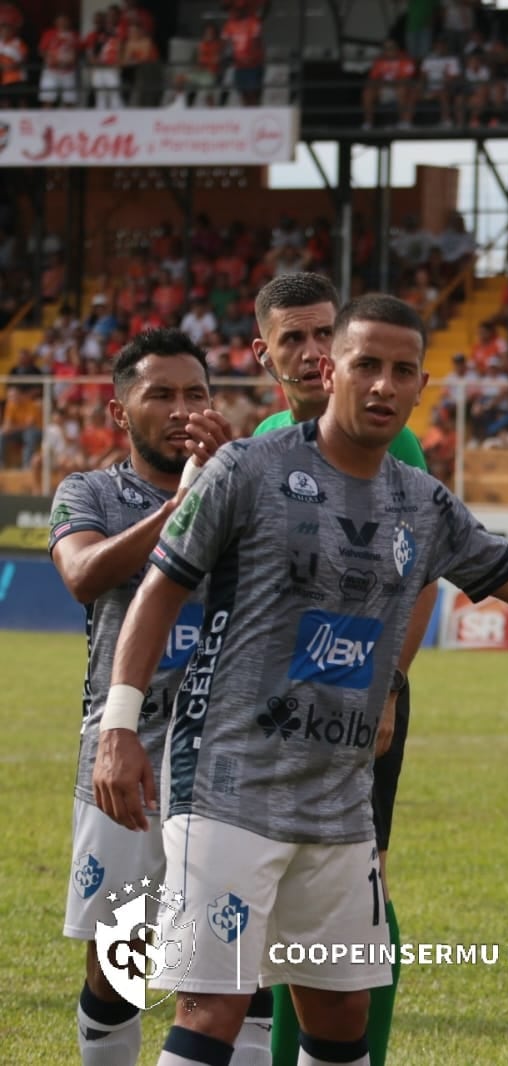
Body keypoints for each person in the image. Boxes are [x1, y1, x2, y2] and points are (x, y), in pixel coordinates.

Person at [92, 295, 508, 1066]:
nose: (383, 385)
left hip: (338, 798)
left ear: (421, 386)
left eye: (401, 371)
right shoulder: (248, 468)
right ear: (330, 371)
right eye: (366, 365)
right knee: (212, 1005)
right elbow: (158, 591)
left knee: (339, 1014)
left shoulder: (422, 502)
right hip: (227, 786)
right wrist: (119, 726)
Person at [249, 273, 429, 1066]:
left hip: (361, 692)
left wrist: (385, 688)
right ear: (264, 355)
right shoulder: (262, 440)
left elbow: (421, 576)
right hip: (277, 702)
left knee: (359, 886)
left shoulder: (390, 437)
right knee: (283, 887)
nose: (312, 350)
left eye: (325, 333)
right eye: (293, 337)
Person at [50, 330, 241, 1066]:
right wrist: (185, 506)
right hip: (126, 759)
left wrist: (224, 483)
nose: (181, 409)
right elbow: (84, 575)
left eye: (196, 394)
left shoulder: (247, 490)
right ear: (120, 410)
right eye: (160, 394)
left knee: (236, 969)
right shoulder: (90, 493)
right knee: (120, 968)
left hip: (233, 763)